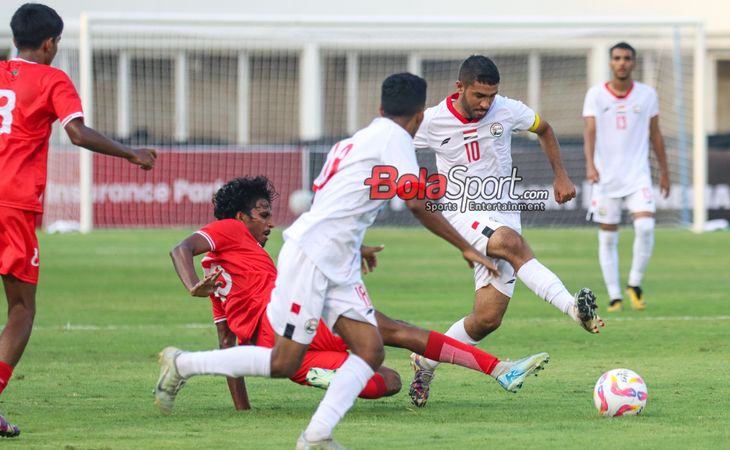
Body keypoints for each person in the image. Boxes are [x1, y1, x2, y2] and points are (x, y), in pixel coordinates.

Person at [155, 72, 511, 450]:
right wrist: (465, 246)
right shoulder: (395, 139)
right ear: (421, 115)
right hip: (313, 258)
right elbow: (415, 201)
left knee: (370, 350)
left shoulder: (356, 141)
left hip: (331, 259)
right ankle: (184, 364)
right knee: (284, 363)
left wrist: (353, 246)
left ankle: (317, 435)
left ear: (379, 107)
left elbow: (332, 205)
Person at [168, 176, 550, 410]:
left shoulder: (218, 274)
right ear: (240, 217)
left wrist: (243, 411)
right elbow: (180, 248)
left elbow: (227, 343)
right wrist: (189, 287)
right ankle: (498, 368)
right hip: (292, 318)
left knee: (388, 382)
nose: (270, 222)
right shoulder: (229, 231)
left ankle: (325, 378)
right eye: (264, 214)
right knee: (394, 330)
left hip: (285, 350)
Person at [408, 55, 604, 408]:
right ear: (460, 88)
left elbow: (543, 128)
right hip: (461, 212)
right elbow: (397, 140)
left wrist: (560, 174)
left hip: (504, 213)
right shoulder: (432, 121)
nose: (486, 104)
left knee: (486, 319)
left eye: (491, 96)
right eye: (479, 96)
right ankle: (573, 308)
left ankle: (426, 362)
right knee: (512, 244)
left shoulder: (506, 109)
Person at [0, 3, 157, 437]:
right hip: (12, 205)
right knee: (20, 310)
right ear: (50, 43)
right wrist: (131, 153)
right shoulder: (53, 78)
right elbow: (76, 132)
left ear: (15, 39)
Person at [582, 42, 670, 313]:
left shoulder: (646, 95)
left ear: (633, 63)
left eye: (627, 58)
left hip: (637, 176)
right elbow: (590, 132)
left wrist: (664, 171)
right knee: (608, 238)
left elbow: (655, 134)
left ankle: (635, 283)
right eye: (617, 58)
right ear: (611, 63)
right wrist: (590, 166)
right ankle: (614, 295)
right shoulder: (596, 95)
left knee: (645, 227)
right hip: (606, 179)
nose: (622, 62)